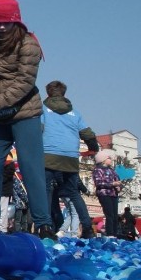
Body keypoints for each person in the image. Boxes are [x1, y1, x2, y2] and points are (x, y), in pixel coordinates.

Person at [0, 0, 53, 238]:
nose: (2, 28)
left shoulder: (29, 44)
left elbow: (24, 83)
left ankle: (43, 222)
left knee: (31, 167)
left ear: (15, 20)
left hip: (25, 112)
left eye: (6, 22)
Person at [41, 80, 99, 239]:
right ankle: (87, 227)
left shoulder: (43, 109)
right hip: (70, 157)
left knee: (46, 191)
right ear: (64, 93)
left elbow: (37, 129)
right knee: (73, 193)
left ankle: (45, 227)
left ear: (48, 93)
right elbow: (87, 133)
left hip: (48, 156)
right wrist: (93, 147)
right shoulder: (75, 113)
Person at [93, 149, 122, 238]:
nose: (111, 160)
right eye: (109, 158)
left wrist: (119, 187)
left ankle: (115, 233)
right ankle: (110, 234)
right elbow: (98, 183)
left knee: (114, 215)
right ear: (103, 160)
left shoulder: (112, 171)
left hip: (114, 194)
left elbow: (118, 181)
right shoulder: (98, 170)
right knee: (109, 214)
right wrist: (112, 184)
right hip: (104, 194)